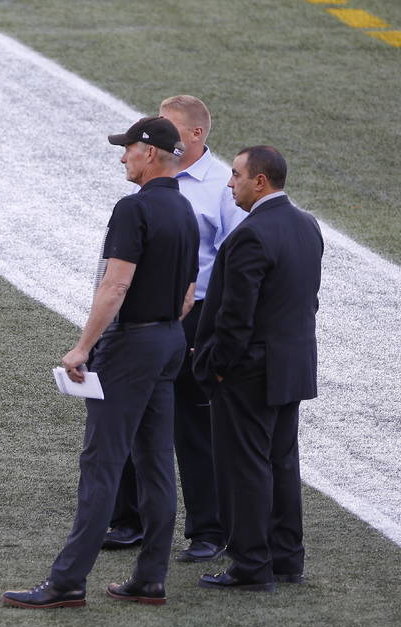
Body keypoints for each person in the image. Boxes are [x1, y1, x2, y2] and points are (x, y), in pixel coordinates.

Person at [2, 117, 198, 608]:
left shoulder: (133, 210)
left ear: (149, 153)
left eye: (128, 149)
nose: (122, 157)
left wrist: (82, 347)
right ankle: (150, 577)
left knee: (101, 463)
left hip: (132, 347)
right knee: (156, 464)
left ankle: (68, 580)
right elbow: (188, 297)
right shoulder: (187, 212)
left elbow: (115, 285)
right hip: (170, 341)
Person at [103, 97, 247, 563]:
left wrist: (215, 327)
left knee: (193, 424)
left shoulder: (223, 187)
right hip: (148, 311)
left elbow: (236, 260)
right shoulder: (152, 183)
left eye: (170, 125)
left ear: (197, 135)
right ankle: (129, 520)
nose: (160, 131)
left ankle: (208, 529)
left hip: (199, 314)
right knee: (129, 413)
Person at [193, 146, 323, 591]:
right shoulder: (308, 225)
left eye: (236, 175)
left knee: (246, 467)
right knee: (282, 463)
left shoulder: (251, 234)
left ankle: (251, 564)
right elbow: (308, 300)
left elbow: (236, 316)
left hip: (250, 372)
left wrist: (219, 367)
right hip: (292, 366)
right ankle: (287, 561)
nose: (230, 184)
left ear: (260, 182)